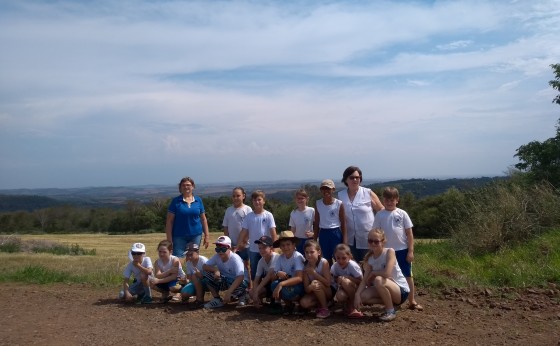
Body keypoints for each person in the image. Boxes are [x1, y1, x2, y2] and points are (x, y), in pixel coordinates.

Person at [373, 186, 422, 310]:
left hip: (402, 250)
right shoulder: (380, 215)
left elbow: (409, 233)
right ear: (383, 200)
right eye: (387, 200)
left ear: (397, 200)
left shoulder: (402, 213)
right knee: (388, 277)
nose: (389, 203)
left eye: (392, 200)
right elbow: (376, 233)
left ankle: (412, 301)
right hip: (387, 253)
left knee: (407, 276)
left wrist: (410, 251)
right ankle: (391, 301)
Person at [355, 228, 410, 322]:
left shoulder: (389, 252)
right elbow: (364, 281)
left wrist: (373, 273)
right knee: (362, 296)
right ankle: (391, 303)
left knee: (378, 280)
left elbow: (387, 274)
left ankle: (390, 311)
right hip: (387, 288)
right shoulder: (370, 259)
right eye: (370, 241)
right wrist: (357, 295)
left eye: (376, 241)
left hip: (401, 290)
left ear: (383, 242)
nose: (373, 244)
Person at [338, 166, 384, 262]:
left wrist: (380, 232)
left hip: (368, 238)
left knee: (369, 265)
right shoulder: (340, 195)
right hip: (350, 239)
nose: (355, 179)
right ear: (346, 179)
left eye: (357, 177)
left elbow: (381, 211)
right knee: (354, 266)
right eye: (351, 177)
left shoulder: (368, 193)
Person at [165, 177, 210, 258]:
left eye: (188, 185)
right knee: (178, 259)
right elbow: (169, 221)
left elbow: (203, 219)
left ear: (193, 186)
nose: (186, 187)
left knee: (193, 258)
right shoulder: (175, 201)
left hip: (196, 235)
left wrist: (207, 236)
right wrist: (169, 239)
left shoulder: (198, 200)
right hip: (179, 236)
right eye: (183, 185)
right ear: (180, 187)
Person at [238, 190, 278, 281]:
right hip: (253, 249)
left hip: (267, 249)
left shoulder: (268, 215)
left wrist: (274, 248)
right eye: (254, 200)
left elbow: (273, 233)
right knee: (255, 272)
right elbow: (244, 231)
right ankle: (256, 290)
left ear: (264, 201)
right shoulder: (249, 216)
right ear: (252, 202)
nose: (257, 202)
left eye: (259, 200)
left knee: (269, 272)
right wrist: (238, 245)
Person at [201, 236, 248, 309]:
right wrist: (215, 270)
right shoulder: (217, 256)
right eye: (218, 248)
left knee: (241, 283)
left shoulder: (235, 259)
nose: (220, 251)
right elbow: (204, 266)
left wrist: (229, 292)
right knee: (207, 274)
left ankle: (243, 295)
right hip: (226, 280)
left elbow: (240, 277)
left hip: (238, 281)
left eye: (223, 248)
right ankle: (217, 299)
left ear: (229, 248)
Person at [222, 187, 253, 292]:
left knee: (247, 265)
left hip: (246, 244)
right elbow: (225, 227)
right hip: (232, 244)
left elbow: (250, 227)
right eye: (234, 196)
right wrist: (228, 243)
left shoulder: (248, 209)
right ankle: (238, 288)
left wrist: (244, 242)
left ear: (243, 196)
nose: (236, 198)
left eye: (238, 195)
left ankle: (250, 287)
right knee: (236, 266)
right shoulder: (229, 210)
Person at [268, 231, 305, 315]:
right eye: (283, 245)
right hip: (288, 283)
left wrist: (281, 284)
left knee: (282, 288)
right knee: (274, 284)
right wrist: (277, 273)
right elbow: (273, 277)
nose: (285, 247)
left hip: (299, 285)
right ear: (280, 247)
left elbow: (299, 278)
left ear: (293, 245)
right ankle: (289, 305)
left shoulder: (297, 256)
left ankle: (299, 303)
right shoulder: (280, 257)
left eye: (288, 244)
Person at [314, 179, 346, 265]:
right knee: (325, 258)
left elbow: (343, 223)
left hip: (335, 233)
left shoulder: (339, 204)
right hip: (323, 233)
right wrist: (314, 239)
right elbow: (316, 223)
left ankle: (339, 275)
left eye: (328, 188)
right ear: (321, 190)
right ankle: (329, 277)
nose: (326, 191)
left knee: (338, 257)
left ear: (333, 189)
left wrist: (345, 240)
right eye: (323, 189)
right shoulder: (318, 203)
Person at [299, 240, 333, 318]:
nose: (309, 255)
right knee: (304, 303)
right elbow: (307, 289)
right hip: (315, 291)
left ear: (319, 252)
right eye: (306, 252)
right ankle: (321, 304)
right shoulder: (305, 267)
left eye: (312, 252)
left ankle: (325, 309)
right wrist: (310, 287)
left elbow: (328, 283)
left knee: (316, 283)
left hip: (328, 291)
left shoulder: (324, 262)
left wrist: (314, 274)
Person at [331, 243, 363, 318]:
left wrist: (348, 277)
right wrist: (337, 279)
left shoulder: (352, 265)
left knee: (345, 281)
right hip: (344, 288)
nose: (340, 261)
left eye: (344, 258)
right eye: (338, 258)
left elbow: (361, 281)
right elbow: (333, 277)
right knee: (340, 296)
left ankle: (353, 306)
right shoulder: (335, 266)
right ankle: (346, 307)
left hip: (357, 288)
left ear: (349, 257)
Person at [249, 236, 279, 308]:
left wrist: (256, 292)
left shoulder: (276, 257)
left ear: (271, 248)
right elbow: (256, 279)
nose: (262, 250)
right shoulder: (261, 261)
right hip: (268, 285)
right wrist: (255, 294)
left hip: (277, 285)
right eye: (260, 248)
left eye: (264, 247)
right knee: (251, 292)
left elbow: (269, 275)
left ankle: (275, 300)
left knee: (273, 276)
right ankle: (259, 301)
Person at [289, 189, 315, 255]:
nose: (300, 200)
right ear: (295, 199)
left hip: (309, 240)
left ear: (307, 199)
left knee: (310, 259)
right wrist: (292, 243)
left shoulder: (312, 211)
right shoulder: (293, 213)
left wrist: (313, 234)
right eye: (298, 198)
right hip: (298, 241)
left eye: (302, 198)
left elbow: (318, 225)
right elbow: (293, 230)